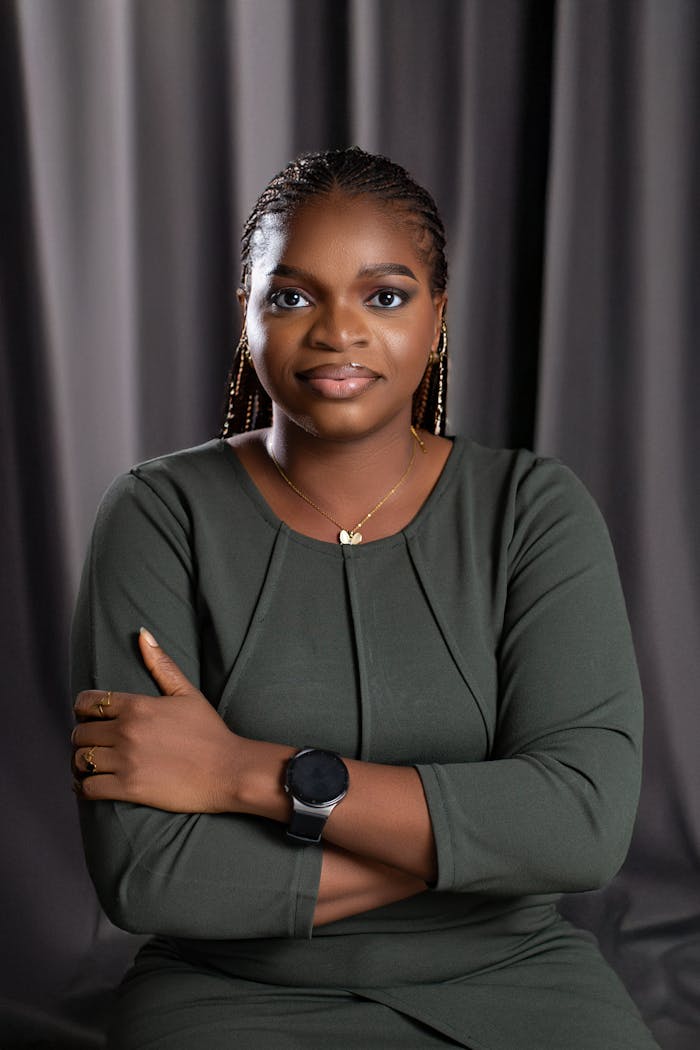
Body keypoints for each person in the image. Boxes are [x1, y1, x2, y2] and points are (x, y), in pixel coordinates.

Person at [71, 147, 659, 1049]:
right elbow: (149, 876)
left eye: (383, 296)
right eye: (293, 295)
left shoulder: (532, 510)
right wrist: (483, 846)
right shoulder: (158, 514)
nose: (337, 331)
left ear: (436, 319)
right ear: (247, 317)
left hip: (516, 981)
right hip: (230, 993)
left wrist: (242, 775)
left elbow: (581, 828)